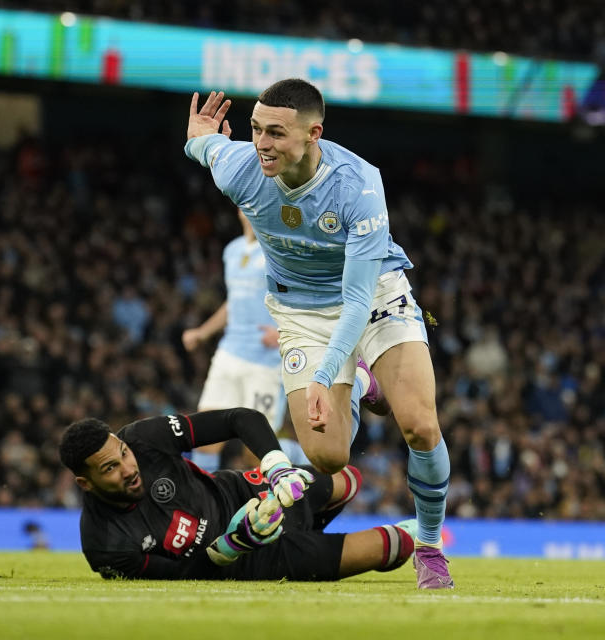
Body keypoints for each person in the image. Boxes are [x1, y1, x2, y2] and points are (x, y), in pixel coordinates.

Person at [183, 79, 452, 589]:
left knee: (419, 425)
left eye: (276, 133)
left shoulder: (358, 184)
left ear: (313, 134)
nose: (261, 142)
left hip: (372, 296)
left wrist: (326, 375)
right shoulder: (241, 169)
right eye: (256, 129)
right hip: (300, 312)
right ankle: (364, 388)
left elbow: (355, 302)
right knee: (330, 456)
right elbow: (206, 146)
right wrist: (196, 139)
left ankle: (432, 546)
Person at [59, 408, 415, 581]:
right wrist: (233, 544)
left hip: (251, 490)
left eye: (122, 453)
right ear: (84, 483)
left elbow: (239, 419)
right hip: (251, 560)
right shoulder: (104, 544)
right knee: (393, 545)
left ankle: (310, 526)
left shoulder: (143, 439)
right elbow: (186, 577)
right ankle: (309, 544)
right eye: (110, 469)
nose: (128, 467)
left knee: (347, 478)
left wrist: (278, 468)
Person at [181, 209, 304, 470]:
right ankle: (208, 505)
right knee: (205, 438)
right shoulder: (232, 251)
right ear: (238, 210)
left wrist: (285, 333)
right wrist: (202, 333)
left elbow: (303, 295)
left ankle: (303, 457)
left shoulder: (280, 249)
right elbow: (233, 302)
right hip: (229, 352)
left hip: (266, 363)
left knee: (256, 450)